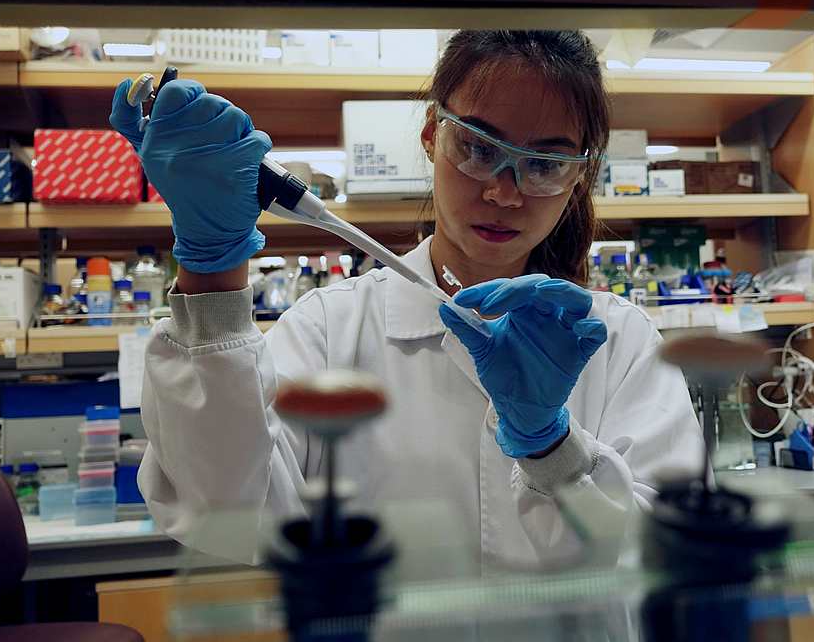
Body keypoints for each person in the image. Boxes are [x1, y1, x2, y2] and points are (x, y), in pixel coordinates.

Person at [109, 30, 704, 566]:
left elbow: (666, 557)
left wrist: (551, 445)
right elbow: (228, 518)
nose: (504, 192)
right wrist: (212, 268)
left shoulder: (619, 341)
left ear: (580, 175)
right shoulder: (330, 328)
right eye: (479, 148)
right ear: (431, 135)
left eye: (545, 164)